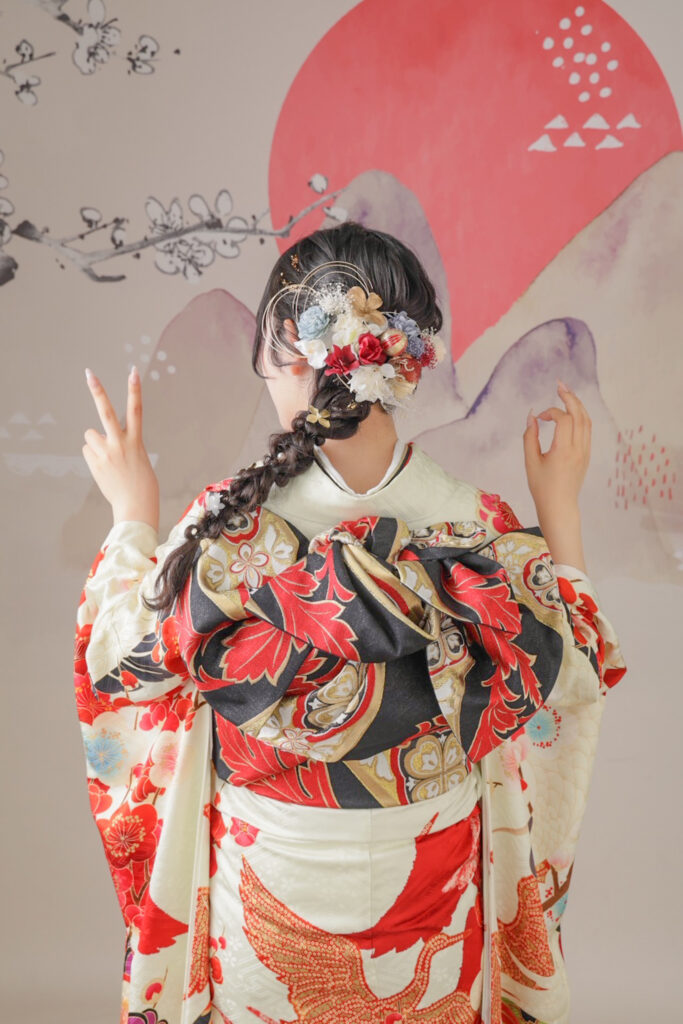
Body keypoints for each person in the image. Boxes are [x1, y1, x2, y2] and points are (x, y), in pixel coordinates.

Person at [75, 222, 627, 1024]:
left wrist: (132, 515)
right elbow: (570, 676)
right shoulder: (476, 524)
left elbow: (123, 658)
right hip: (433, 909)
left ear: (285, 351)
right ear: (409, 360)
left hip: (261, 910)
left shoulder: (229, 530)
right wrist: (560, 513)